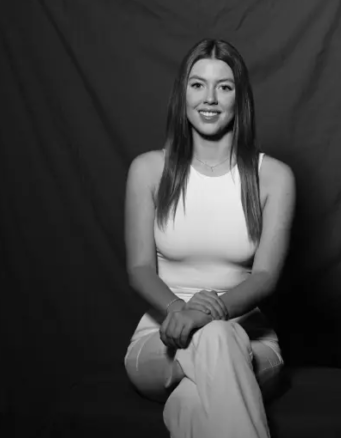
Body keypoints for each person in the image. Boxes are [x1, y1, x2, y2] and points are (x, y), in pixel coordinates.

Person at [123, 38, 296, 438]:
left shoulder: (274, 177)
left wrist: (204, 316)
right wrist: (178, 311)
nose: (210, 98)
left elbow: (265, 277)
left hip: (250, 341)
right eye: (198, 84)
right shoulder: (148, 170)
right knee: (212, 347)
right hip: (161, 341)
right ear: (182, 94)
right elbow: (139, 268)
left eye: (225, 86)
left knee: (196, 387)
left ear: (240, 98)